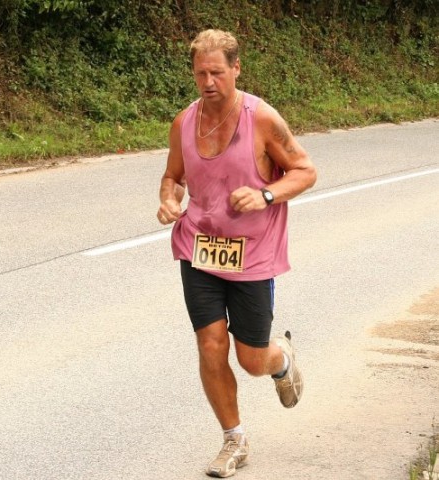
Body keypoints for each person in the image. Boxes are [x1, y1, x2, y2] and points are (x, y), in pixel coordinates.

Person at [157, 29, 317, 478]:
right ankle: (234, 439)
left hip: (253, 253)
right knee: (210, 345)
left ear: (236, 69)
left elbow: (305, 171)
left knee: (251, 359)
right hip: (200, 248)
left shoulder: (262, 119)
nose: (208, 82)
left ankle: (279, 358)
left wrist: (267, 196)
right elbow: (173, 176)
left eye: (217, 72)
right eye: (200, 73)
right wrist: (169, 200)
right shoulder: (183, 122)